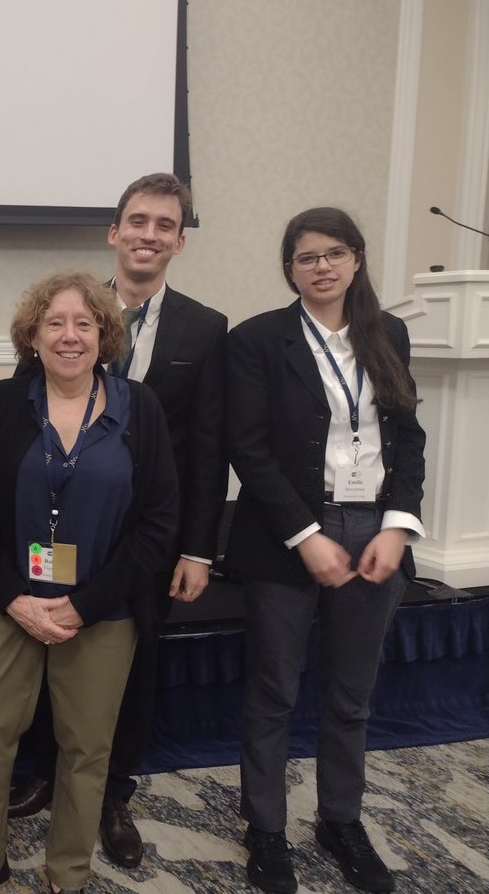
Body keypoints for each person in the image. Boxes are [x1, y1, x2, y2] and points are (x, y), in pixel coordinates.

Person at [8, 173, 229, 870]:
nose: (148, 234)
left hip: (149, 542)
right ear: (114, 232)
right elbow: (24, 417)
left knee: (133, 669)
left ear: (180, 241)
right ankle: (47, 769)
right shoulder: (64, 315)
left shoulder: (205, 328)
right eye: (138, 221)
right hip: (60, 529)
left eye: (165, 225)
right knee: (50, 649)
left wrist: (197, 549)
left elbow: (208, 447)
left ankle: (112, 796)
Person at [0, 271, 178, 894]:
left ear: (104, 335)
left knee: (86, 747)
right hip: (11, 603)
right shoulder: (1, 406)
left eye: (84, 323)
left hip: (102, 612)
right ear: (33, 335)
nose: (70, 336)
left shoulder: (140, 409)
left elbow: (158, 526)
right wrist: (16, 599)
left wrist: (84, 606)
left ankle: (67, 874)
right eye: (55, 323)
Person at [228, 207, 425, 894]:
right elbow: (247, 448)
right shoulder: (257, 340)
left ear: (357, 259)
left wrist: (398, 527)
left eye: (334, 253)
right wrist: (306, 537)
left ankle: (341, 819)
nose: (322, 266)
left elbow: (409, 438)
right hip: (288, 541)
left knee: (351, 694)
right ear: (290, 268)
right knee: (274, 691)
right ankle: (267, 829)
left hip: (377, 533)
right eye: (306, 256)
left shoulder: (388, 332)